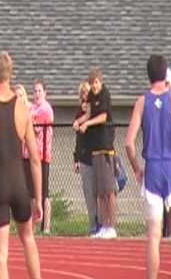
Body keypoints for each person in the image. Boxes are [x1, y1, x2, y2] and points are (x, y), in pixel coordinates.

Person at [0, 51, 42, 279]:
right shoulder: (23, 108)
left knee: (0, 253)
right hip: (20, 186)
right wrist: (38, 199)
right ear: (10, 74)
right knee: (28, 239)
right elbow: (34, 158)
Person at [125, 55, 171, 279]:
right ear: (165, 74)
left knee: (154, 235)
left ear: (148, 75)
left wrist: (136, 168)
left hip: (152, 169)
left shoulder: (142, 102)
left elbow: (128, 143)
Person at [73, 67, 117, 239]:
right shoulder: (92, 96)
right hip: (94, 150)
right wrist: (79, 121)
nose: (94, 86)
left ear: (101, 81)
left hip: (105, 147)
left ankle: (111, 225)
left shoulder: (105, 94)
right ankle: (104, 225)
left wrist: (87, 124)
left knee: (108, 190)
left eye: (96, 83)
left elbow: (103, 117)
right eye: (91, 83)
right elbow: (90, 113)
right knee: (99, 191)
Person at [25, 79, 54, 234]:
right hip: (31, 155)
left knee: (44, 192)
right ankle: (33, 224)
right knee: (31, 192)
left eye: (39, 91)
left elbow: (34, 129)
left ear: (45, 93)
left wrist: (28, 117)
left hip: (42, 155)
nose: (36, 94)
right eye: (35, 91)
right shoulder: (32, 108)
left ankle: (46, 226)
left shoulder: (45, 109)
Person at [73, 81, 99, 236]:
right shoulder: (78, 114)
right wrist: (75, 158)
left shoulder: (97, 112)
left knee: (100, 192)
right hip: (84, 157)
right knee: (89, 193)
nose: (85, 96)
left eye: (87, 93)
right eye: (82, 93)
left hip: (97, 155)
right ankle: (92, 225)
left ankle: (103, 223)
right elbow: (78, 138)